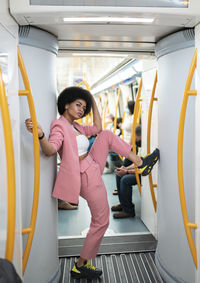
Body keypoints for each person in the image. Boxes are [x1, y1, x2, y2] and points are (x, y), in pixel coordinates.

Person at [25, 86, 159, 280]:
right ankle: (80, 265)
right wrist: (40, 135)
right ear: (66, 104)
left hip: (92, 162)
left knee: (106, 135)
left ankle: (140, 162)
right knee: (101, 221)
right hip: (84, 174)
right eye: (78, 105)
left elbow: (97, 128)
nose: (81, 110)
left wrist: (93, 102)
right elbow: (50, 150)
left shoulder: (77, 126)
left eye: (83, 107)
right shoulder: (59, 126)